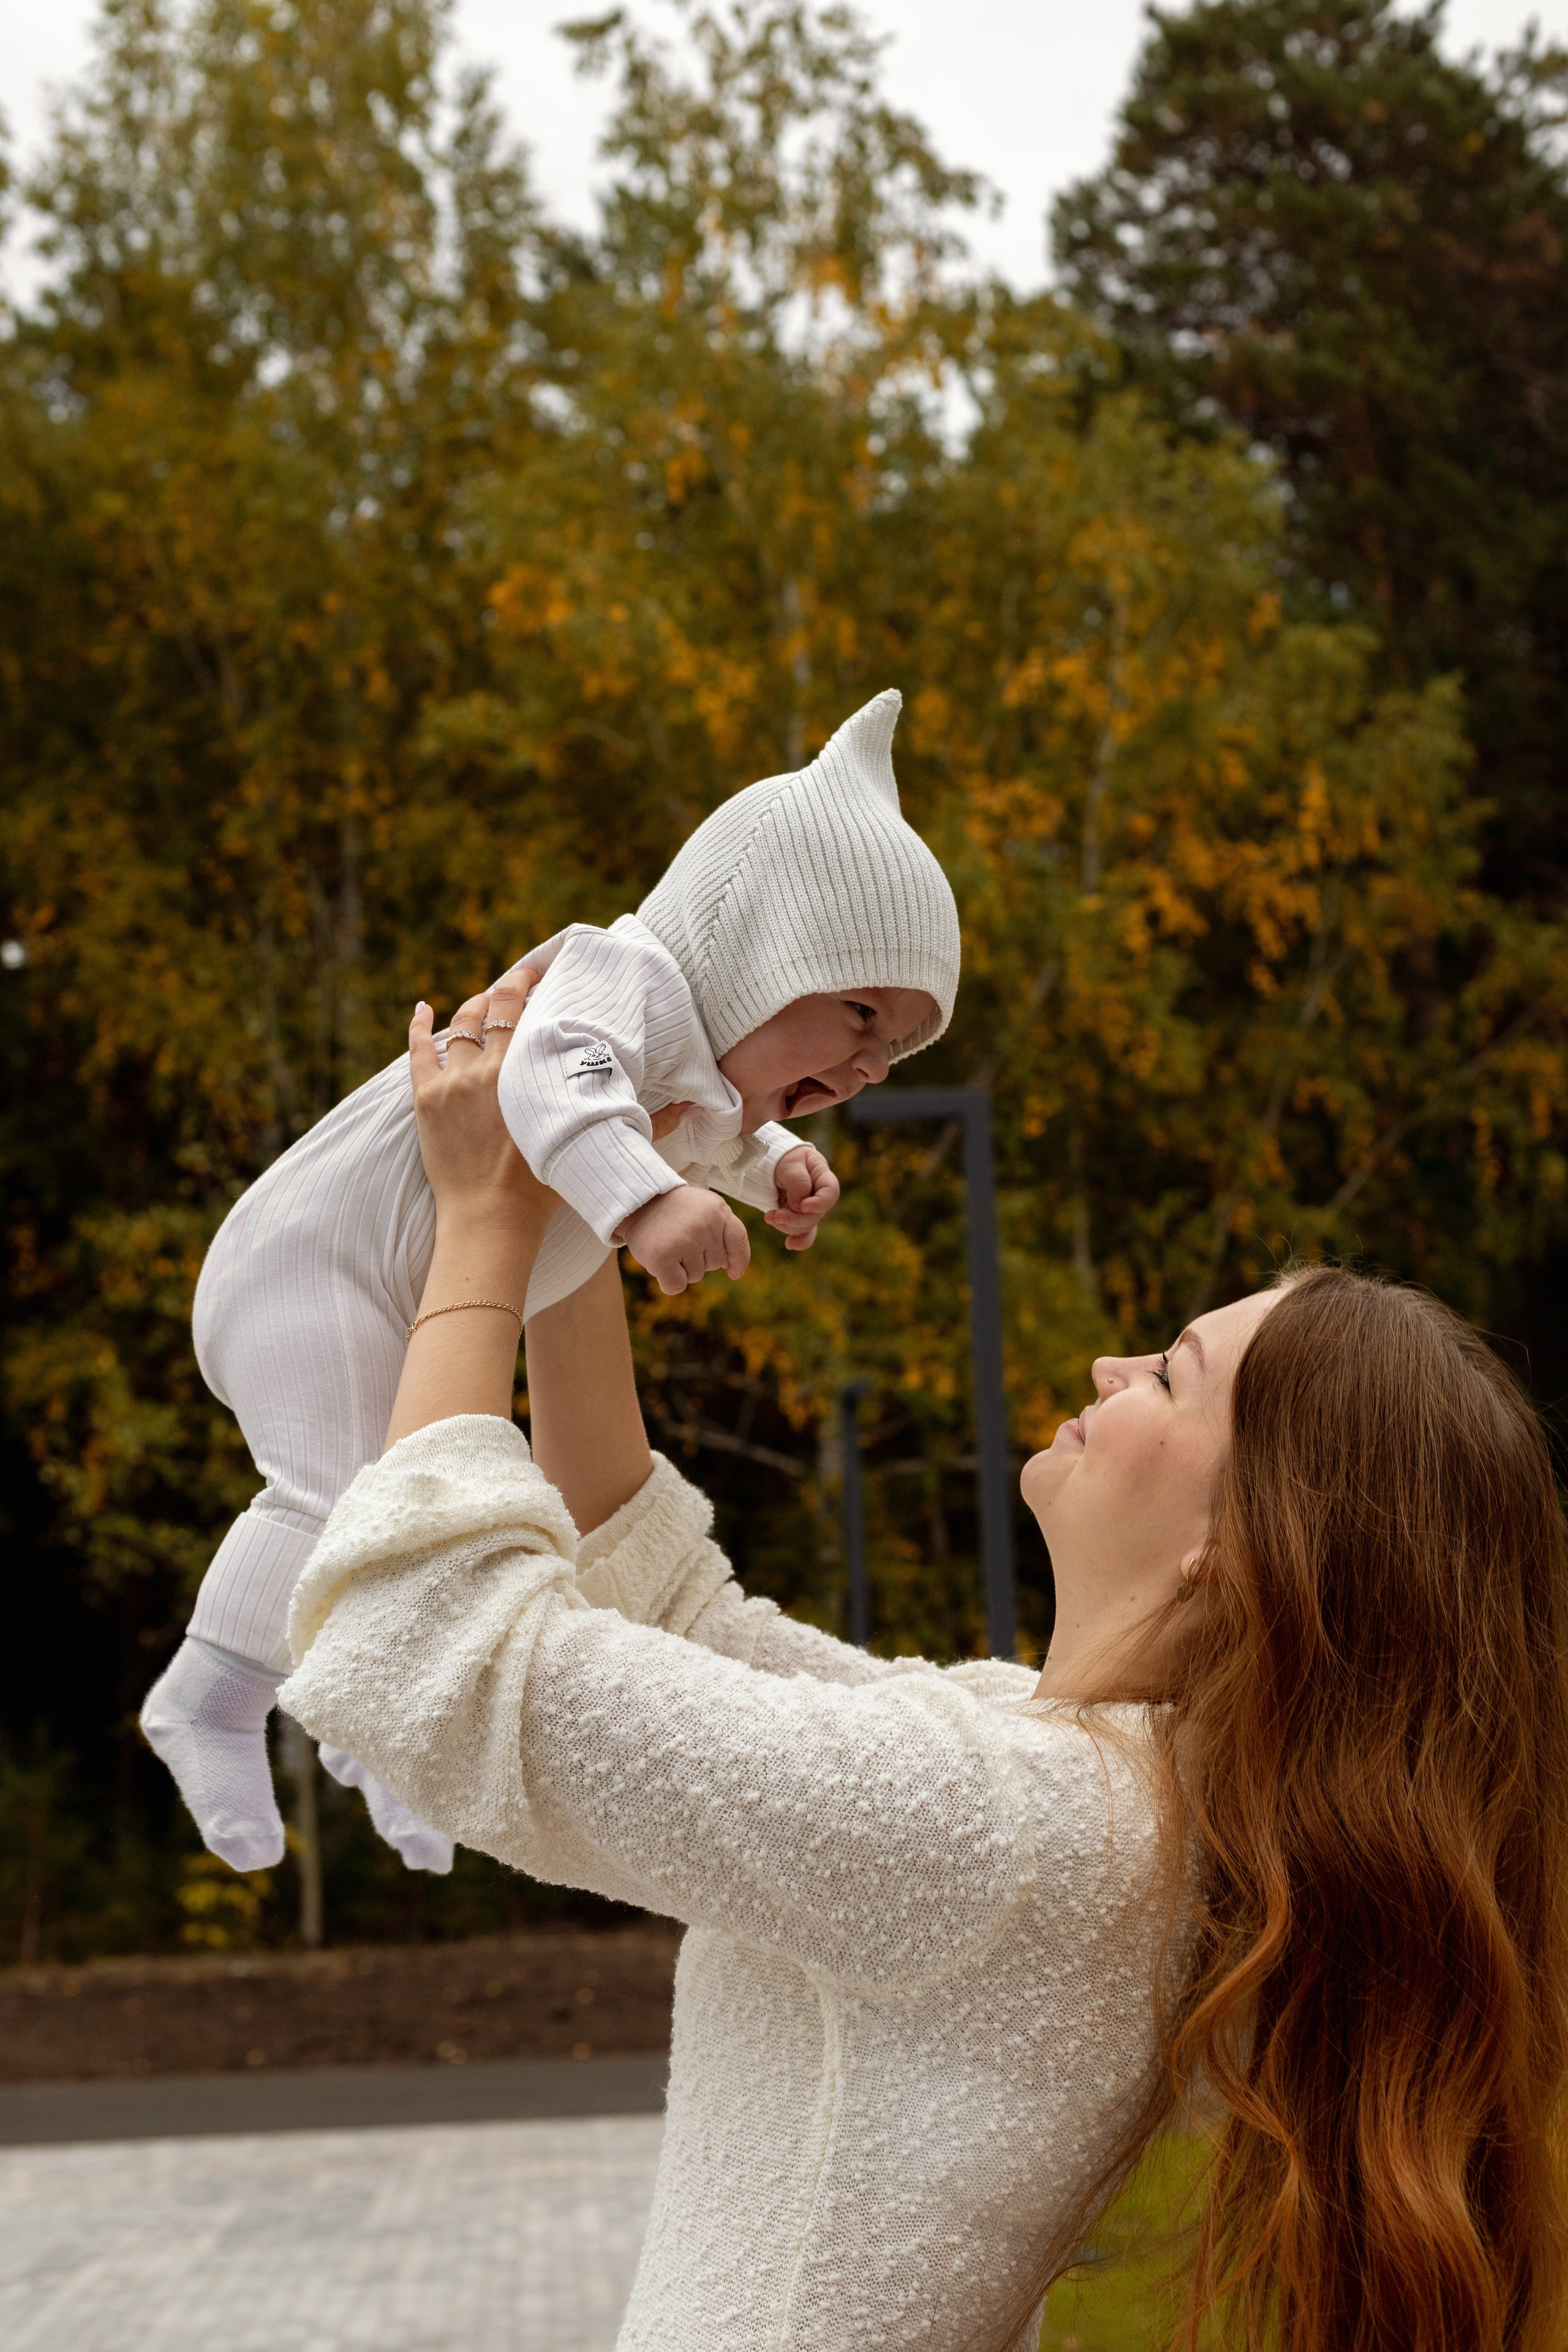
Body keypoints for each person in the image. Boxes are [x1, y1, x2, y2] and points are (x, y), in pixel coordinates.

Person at [279, 975, 1568, 2352]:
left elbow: (422, 1645)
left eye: (1173, 1375)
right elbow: (670, 1611)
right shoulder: (1085, 1789)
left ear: (1241, 1544)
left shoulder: (1021, 1830)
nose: (1106, 1365)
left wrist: (479, 1221)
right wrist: (576, 1190)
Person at [140, 690, 959, 1876]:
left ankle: (377, 1733)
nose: (869, 1060)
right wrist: (645, 1202)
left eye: (894, 1048)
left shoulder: (694, 1068)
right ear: (749, 951)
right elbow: (556, 1082)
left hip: (393, 1290)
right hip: (310, 1268)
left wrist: (772, 1158)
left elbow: (696, 1129)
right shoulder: (614, 975)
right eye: (856, 1011)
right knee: (342, 1502)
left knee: (407, 1512)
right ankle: (209, 1698)